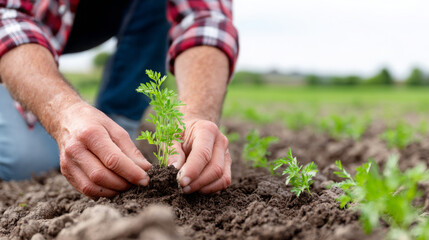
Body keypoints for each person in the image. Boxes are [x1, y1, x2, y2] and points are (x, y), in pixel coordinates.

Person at [0, 0, 239, 198]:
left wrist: (196, 114)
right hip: (21, 22)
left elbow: (205, 19)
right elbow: (6, 15)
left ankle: (114, 130)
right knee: (24, 162)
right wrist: (63, 112)